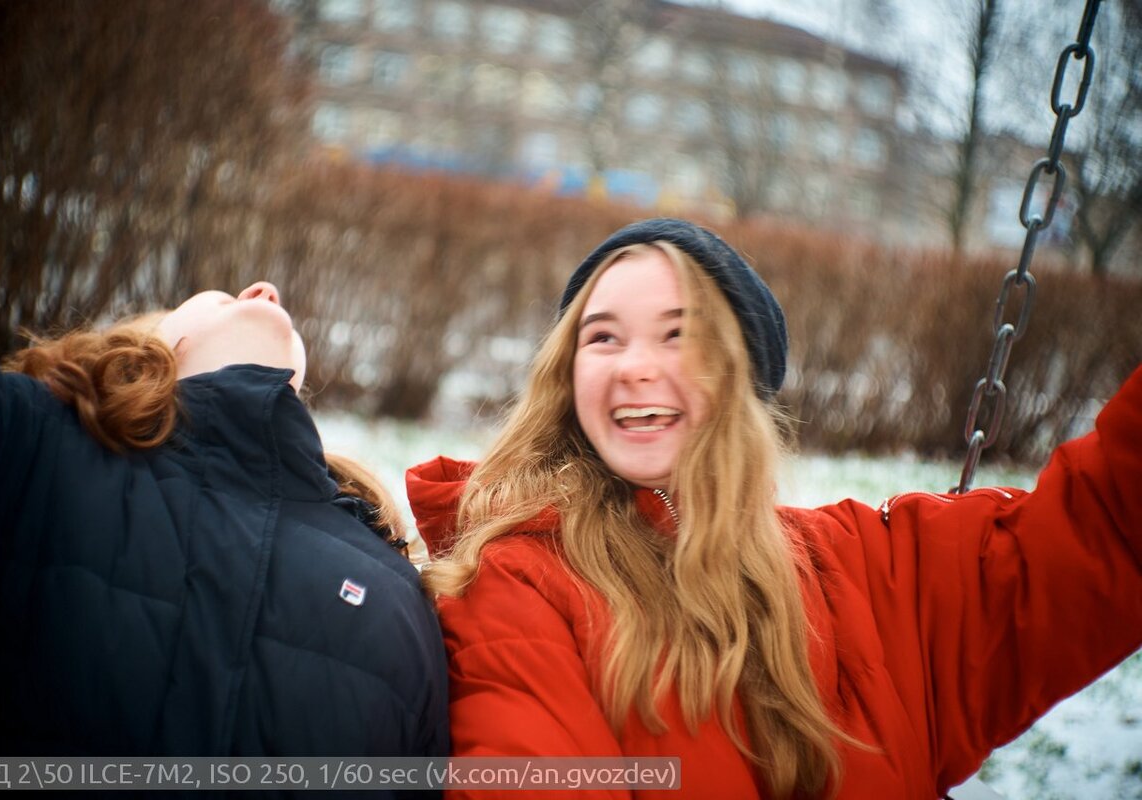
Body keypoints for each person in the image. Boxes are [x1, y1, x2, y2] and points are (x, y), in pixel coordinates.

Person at [406, 218, 1142, 799]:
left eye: (679, 333)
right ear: (567, 378)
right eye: (603, 337)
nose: (634, 364)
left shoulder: (869, 569)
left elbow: (1099, 530)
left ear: (740, 380)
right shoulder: (520, 582)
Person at [0, 282, 449, 777]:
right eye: (222, 300)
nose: (265, 290)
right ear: (142, 350)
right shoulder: (21, 440)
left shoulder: (395, 593)